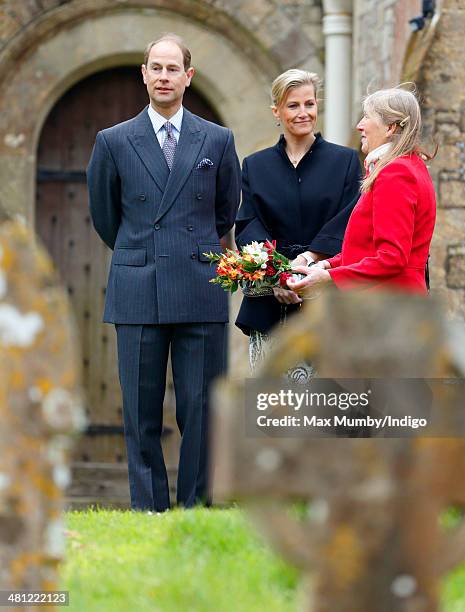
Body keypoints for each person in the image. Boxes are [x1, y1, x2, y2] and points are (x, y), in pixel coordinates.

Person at [87, 33, 241, 511]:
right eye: (156, 67)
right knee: (141, 410)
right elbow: (105, 215)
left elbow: (224, 210)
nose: (163, 76)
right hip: (138, 284)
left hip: (200, 283)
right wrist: (142, 251)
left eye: (173, 69)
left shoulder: (217, 139)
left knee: (199, 409)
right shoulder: (113, 141)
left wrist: (190, 249)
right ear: (144, 74)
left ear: (188, 77)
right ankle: (149, 508)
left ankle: (196, 506)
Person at [234, 69, 361, 369]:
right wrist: (277, 274)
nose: (303, 113)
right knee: (275, 407)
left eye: (310, 104)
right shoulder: (255, 165)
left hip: (328, 298)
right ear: (276, 111)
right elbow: (248, 224)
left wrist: (309, 258)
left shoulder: (344, 161)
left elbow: (350, 219)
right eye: (293, 105)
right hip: (270, 303)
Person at [288, 85, 436, 297]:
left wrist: (330, 278)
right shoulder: (408, 166)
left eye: (367, 117)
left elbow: (391, 258)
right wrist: (328, 265)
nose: (359, 126)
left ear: (390, 128)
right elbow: (366, 250)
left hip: (388, 304)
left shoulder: (396, 173)